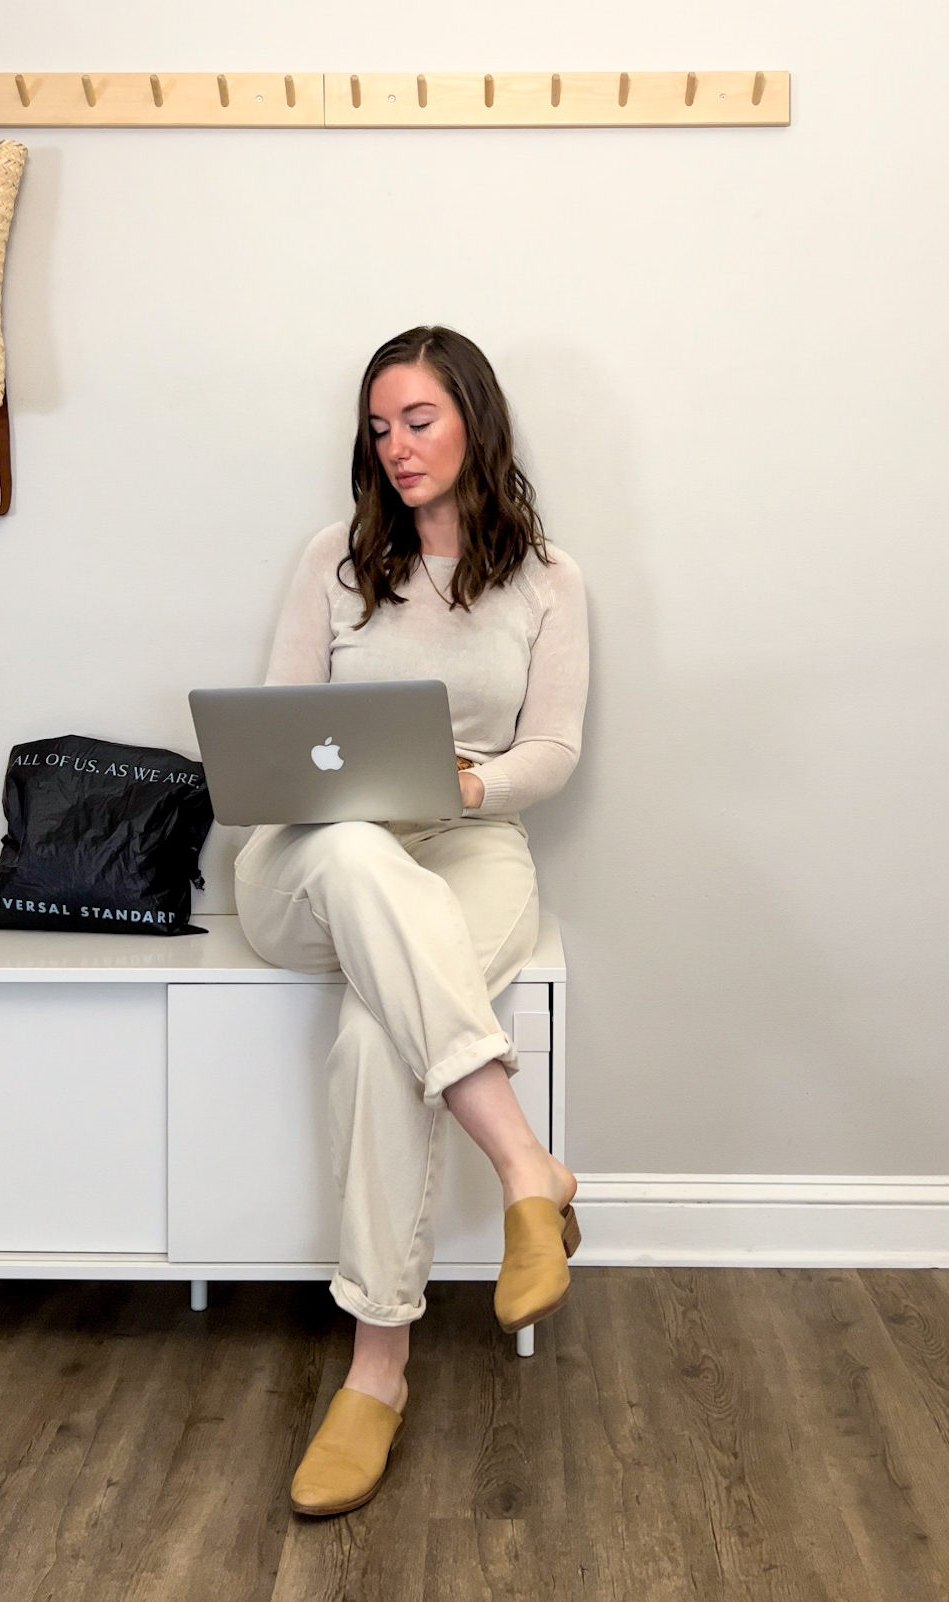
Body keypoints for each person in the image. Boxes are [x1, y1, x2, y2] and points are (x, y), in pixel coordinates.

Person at [233, 325, 589, 1517]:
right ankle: (525, 1168)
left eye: (418, 420)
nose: (394, 446)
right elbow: (279, 730)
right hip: (319, 857)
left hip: (470, 844)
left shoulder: (547, 577)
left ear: (474, 421)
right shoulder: (333, 557)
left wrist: (464, 783)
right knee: (344, 842)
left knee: (379, 1038)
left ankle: (374, 1370)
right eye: (378, 427)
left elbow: (551, 749)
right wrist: (353, 793)